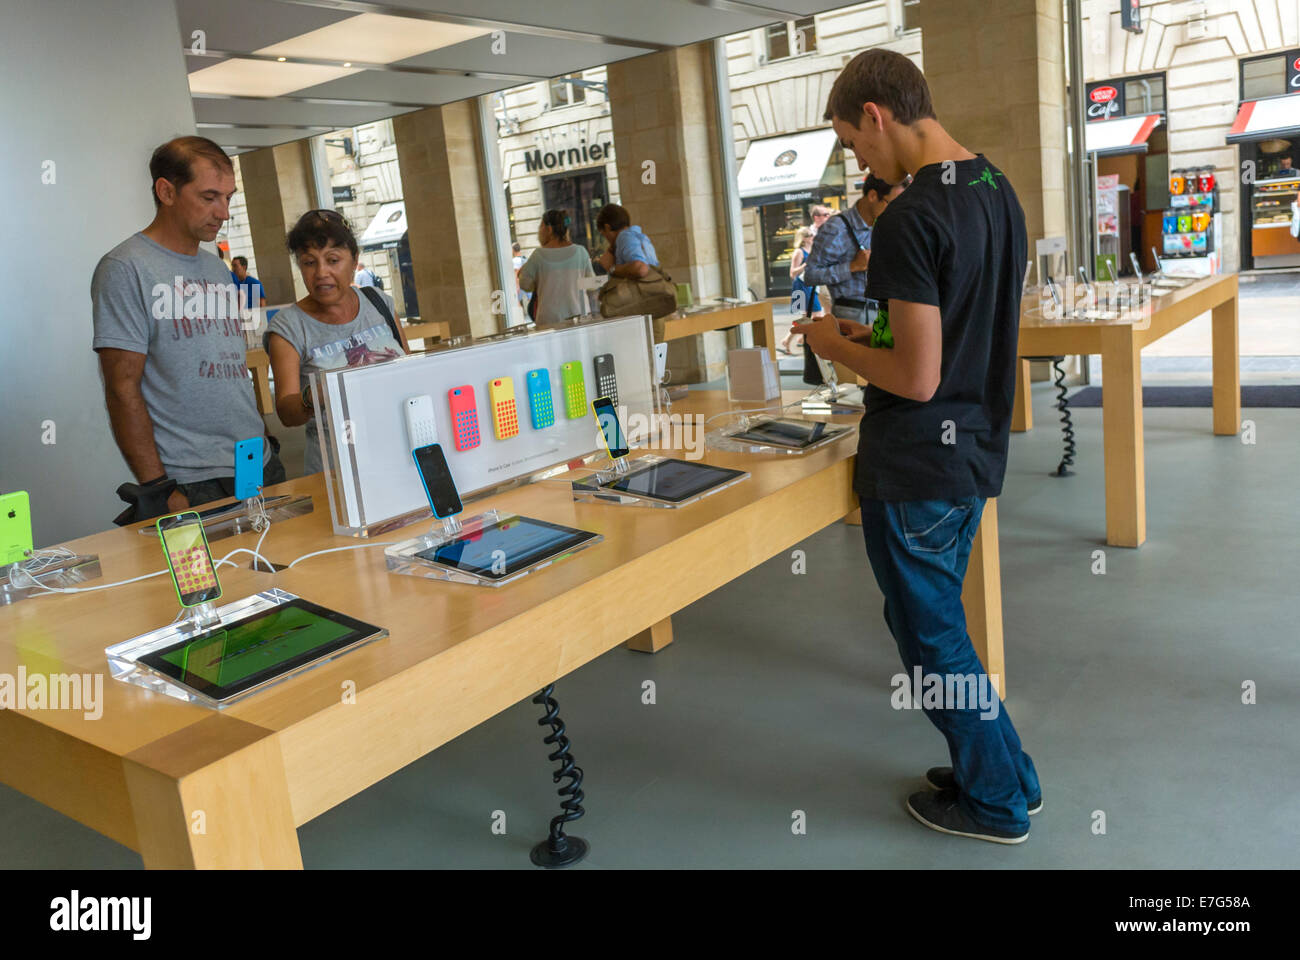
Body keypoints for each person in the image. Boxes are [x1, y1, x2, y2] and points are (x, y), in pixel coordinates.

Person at [794, 48, 1039, 844]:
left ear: (875, 114)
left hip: (918, 462)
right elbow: (957, 328)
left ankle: (994, 802)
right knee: (946, 633)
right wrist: (876, 330)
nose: (858, 160)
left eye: (853, 143)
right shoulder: (995, 189)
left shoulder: (907, 217)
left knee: (933, 643)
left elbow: (918, 375)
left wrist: (836, 343)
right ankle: (1008, 775)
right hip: (972, 450)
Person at [92, 136, 283, 513]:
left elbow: (231, 367)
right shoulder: (125, 268)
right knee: (212, 575)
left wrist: (265, 437)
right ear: (166, 191)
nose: (223, 212)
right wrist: (158, 487)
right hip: (191, 480)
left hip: (257, 462)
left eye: (228, 197)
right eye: (210, 197)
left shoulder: (216, 267)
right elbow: (121, 387)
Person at [267, 210, 409, 476]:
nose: (322, 272)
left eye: (333, 260)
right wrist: (316, 395)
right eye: (309, 263)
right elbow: (287, 413)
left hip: (400, 455)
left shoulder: (378, 302)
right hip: (336, 472)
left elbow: (409, 370)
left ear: (354, 261)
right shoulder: (288, 327)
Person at [802, 174, 903, 327]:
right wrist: (852, 266)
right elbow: (810, 275)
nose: (895, 210)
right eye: (891, 203)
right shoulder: (836, 228)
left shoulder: (881, 225)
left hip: (883, 313)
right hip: (852, 313)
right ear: (873, 196)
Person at [517, 210, 596, 325]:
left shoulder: (538, 255)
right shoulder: (581, 252)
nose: (538, 232)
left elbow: (525, 285)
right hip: (578, 320)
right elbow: (592, 285)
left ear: (549, 229)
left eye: (540, 227)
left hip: (549, 322)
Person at [779, 227, 823, 354]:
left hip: (811, 284)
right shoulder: (799, 252)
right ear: (803, 238)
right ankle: (805, 341)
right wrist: (805, 265)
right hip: (801, 285)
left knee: (807, 317)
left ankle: (791, 339)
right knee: (815, 315)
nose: (812, 236)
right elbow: (792, 273)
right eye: (809, 235)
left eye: (812, 234)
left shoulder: (812, 250)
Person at [594, 203, 659, 278]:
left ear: (607, 227)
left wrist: (611, 268)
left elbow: (640, 268)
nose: (606, 239)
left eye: (603, 234)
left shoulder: (624, 237)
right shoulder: (638, 237)